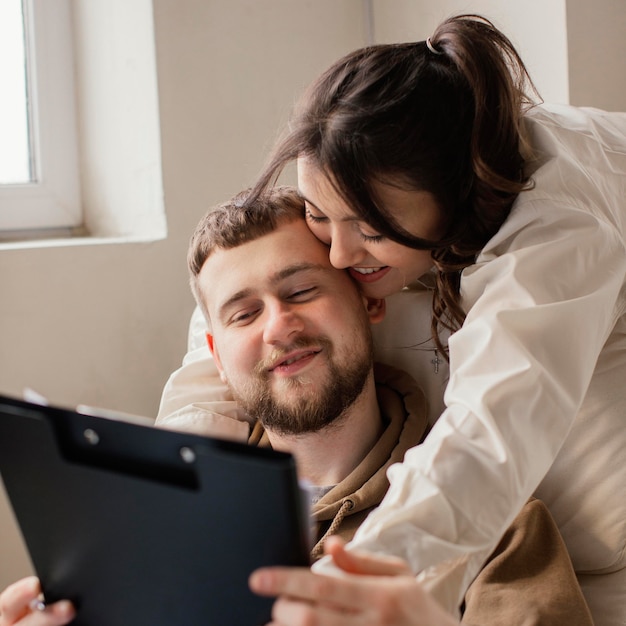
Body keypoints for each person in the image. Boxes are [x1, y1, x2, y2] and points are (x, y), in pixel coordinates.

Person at [155, 13, 626, 624]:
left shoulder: (556, 228)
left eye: (372, 232)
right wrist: (168, 508)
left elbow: (493, 434)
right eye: (321, 214)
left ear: (459, 207)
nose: (339, 256)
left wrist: (345, 589)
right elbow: (218, 329)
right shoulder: (351, 165)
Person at [0, 186, 592, 626]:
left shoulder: (494, 518)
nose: (279, 326)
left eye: (302, 290)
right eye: (244, 313)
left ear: (369, 304)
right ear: (216, 353)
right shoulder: (152, 521)